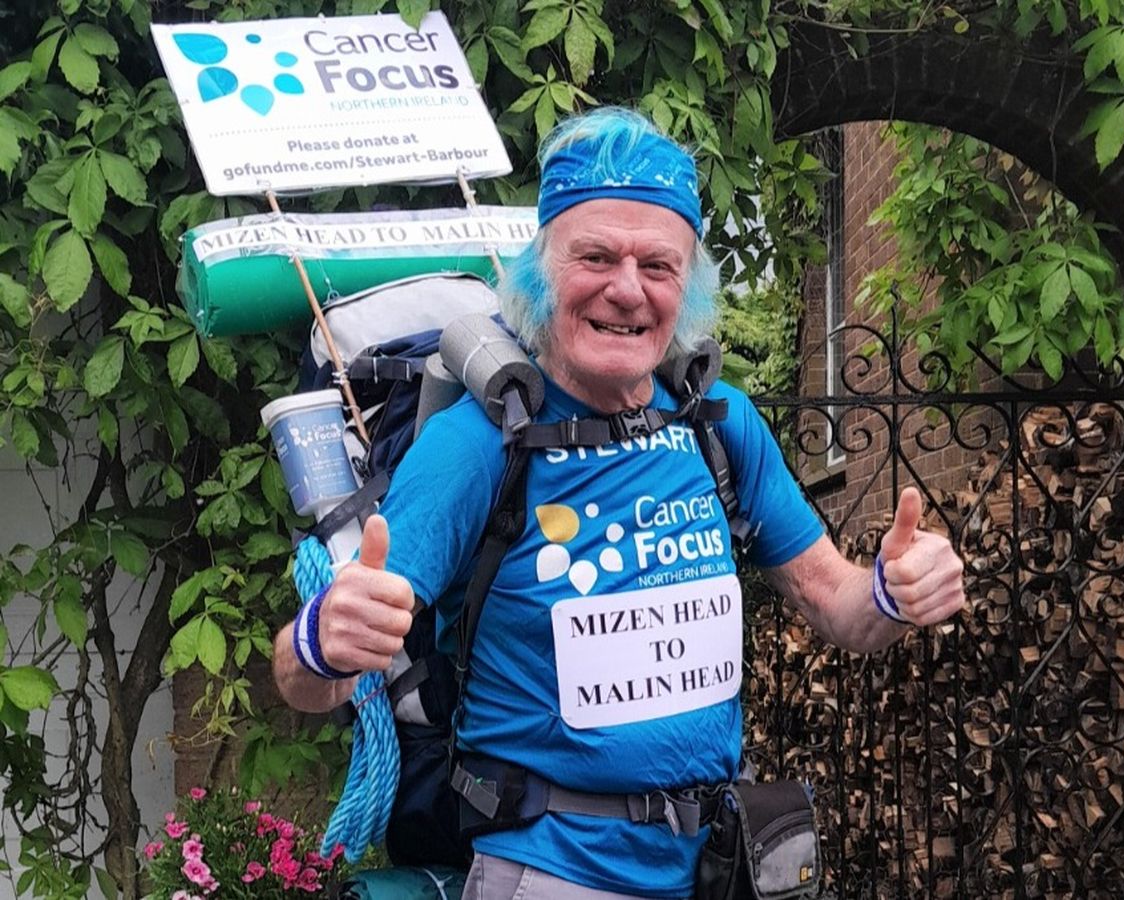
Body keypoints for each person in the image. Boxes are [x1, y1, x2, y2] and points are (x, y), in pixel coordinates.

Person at [272, 106, 966, 900]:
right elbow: (306, 679)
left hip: (716, 865)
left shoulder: (720, 425)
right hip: (552, 872)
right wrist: (322, 642)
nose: (627, 289)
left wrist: (893, 593)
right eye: (596, 256)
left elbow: (835, 602)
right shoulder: (477, 445)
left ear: (688, 288)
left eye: (658, 266)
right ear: (542, 272)